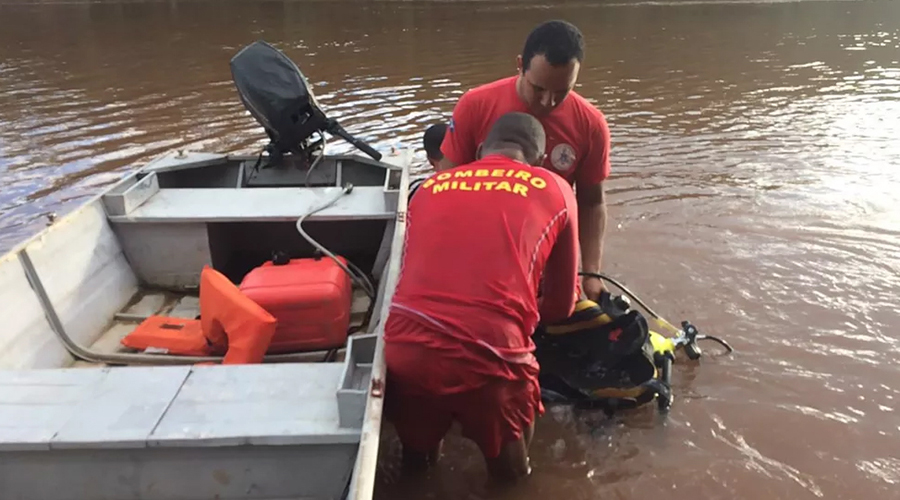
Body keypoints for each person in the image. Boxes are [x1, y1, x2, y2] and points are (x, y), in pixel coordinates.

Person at [383, 112, 580, 481]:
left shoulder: (429, 187)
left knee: (416, 469)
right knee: (512, 480)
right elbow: (560, 305)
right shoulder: (555, 187)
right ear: (538, 161)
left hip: (405, 348)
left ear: (478, 151)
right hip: (493, 355)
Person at [438, 19, 611, 301]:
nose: (548, 102)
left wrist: (591, 273)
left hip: (548, 247)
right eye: (539, 88)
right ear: (520, 65)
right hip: (482, 241)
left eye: (561, 92)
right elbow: (445, 187)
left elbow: (591, 202)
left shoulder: (590, 124)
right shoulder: (476, 105)